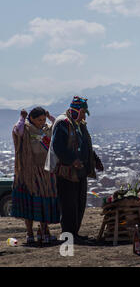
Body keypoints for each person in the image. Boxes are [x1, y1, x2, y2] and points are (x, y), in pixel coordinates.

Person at [45, 96, 103, 243]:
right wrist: (72, 160)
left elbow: (86, 144)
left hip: (81, 171)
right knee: (68, 204)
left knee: (79, 203)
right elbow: (58, 147)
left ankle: (75, 233)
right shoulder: (62, 123)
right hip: (66, 172)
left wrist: (95, 160)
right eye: (82, 112)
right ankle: (68, 235)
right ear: (75, 110)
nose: (84, 115)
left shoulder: (80, 124)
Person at [12, 107, 60, 245]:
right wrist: (22, 117)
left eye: (43, 119)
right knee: (29, 201)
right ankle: (29, 232)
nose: (42, 122)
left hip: (44, 172)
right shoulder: (25, 129)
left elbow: (56, 126)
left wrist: (49, 117)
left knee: (44, 201)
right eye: (39, 119)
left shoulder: (46, 129)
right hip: (28, 172)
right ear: (31, 118)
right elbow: (17, 131)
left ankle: (44, 230)